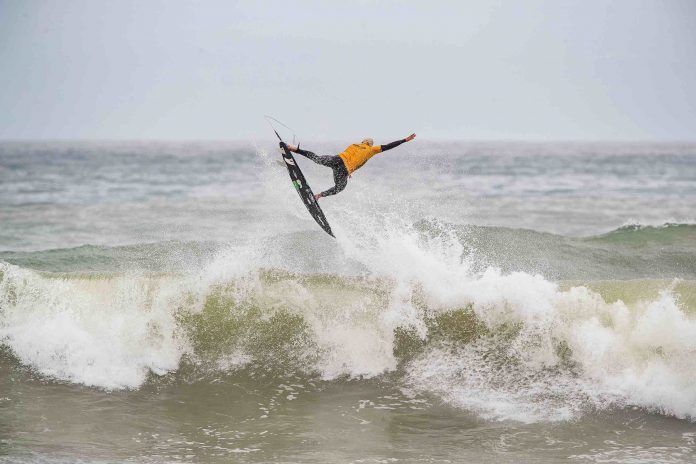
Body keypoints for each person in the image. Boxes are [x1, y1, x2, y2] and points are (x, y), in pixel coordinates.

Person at [284, 133, 416, 201]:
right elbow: (388, 146)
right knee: (339, 188)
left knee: (317, 158)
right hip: (343, 169)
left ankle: (295, 149)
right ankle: (319, 195)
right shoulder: (372, 149)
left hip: (337, 159)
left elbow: (354, 158)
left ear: (363, 141)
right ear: (370, 144)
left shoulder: (354, 144)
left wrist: (350, 170)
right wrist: (404, 140)